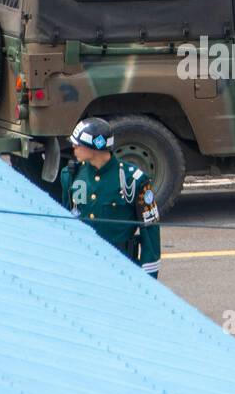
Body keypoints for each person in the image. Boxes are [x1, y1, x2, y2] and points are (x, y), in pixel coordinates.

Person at [58, 117, 161, 278]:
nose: (73, 147)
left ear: (95, 146)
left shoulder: (132, 180)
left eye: (78, 144)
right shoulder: (71, 175)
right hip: (83, 265)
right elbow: (66, 224)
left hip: (121, 267)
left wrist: (149, 275)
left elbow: (150, 229)